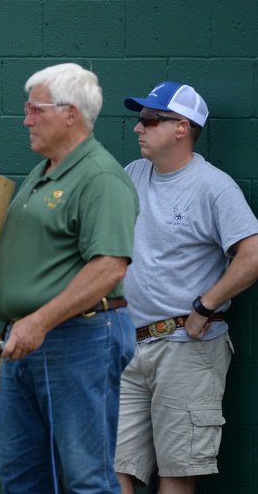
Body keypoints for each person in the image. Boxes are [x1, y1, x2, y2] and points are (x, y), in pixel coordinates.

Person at [0, 62, 139, 493]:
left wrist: (38, 322)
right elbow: (50, 254)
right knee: (21, 475)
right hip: (25, 342)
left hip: (77, 338)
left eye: (36, 109)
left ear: (70, 113)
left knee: (86, 478)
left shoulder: (100, 177)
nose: (26, 119)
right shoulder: (42, 173)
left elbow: (109, 267)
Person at [114, 82, 258, 494]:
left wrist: (206, 305)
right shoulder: (133, 173)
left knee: (176, 473)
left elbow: (252, 253)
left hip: (187, 349)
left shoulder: (214, 187)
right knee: (110, 468)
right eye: (140, 119)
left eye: (149, 119)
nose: (138, 128)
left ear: (181, 128)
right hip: (129, 344)